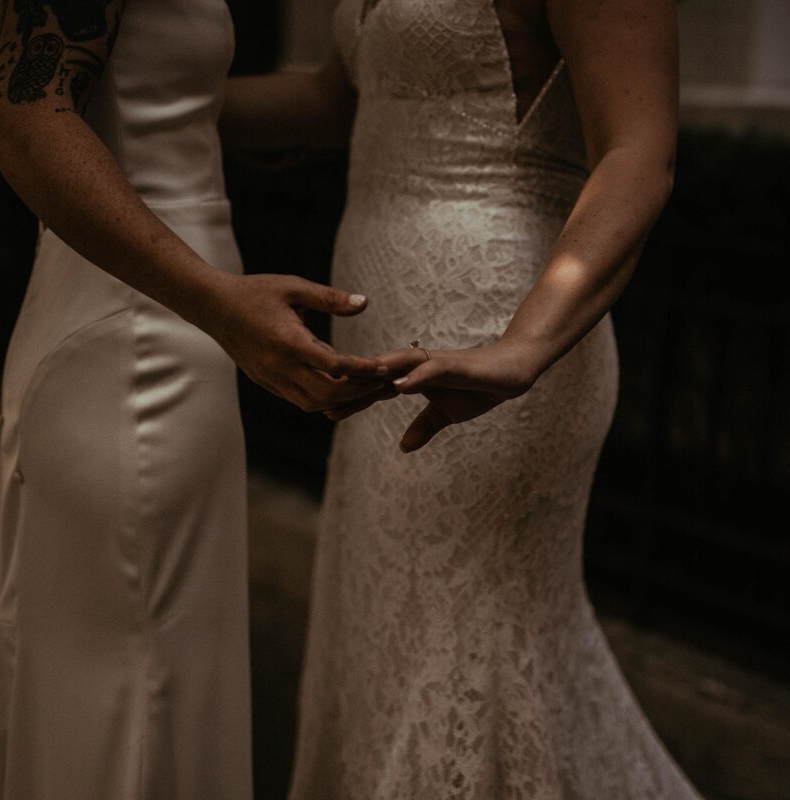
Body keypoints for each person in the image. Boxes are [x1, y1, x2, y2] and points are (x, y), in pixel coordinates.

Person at [222, 0, 702, 795]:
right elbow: (332, 99)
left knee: (463, 647)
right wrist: (136, 85)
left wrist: (526, 345)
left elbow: (638, 149)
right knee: (392, 646)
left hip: (493, 326)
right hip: (385, 320)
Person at [0, 1, 394, 797]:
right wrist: (221, 304)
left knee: (144, 668)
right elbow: (23, 120)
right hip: (142, 330)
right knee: (134, 678)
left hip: (154, 309)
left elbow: (173, 98)